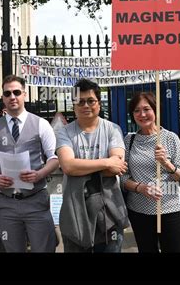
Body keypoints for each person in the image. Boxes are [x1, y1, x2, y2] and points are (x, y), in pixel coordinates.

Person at [0, 75, 59, 252]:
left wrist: (39, 174)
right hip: (7, 203)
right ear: (3, 98)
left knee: (44, 248)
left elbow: (54, 158)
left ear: (24, 94)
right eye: (7, 93)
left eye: (16, 92)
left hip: (36, 200)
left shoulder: (41, 124)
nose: (12, 97)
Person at [56, 79, 129, 252]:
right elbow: (68, 166)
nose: (86, 105)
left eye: (91, 100)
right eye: (80, 101)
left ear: (99, 103)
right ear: (74, 105)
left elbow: (116, 168)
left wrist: (81, 166)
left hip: (110, 209)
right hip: (75, 210)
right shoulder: (64, 132)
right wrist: (106, 162)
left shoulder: (113, 129)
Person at [120, 92, 180, 253]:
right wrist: (140, 187)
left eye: (147, 109)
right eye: (137, 111)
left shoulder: (170, 138)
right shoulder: (129, 140)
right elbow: (122, 178)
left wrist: (166, 163)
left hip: (169, 209)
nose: (142, 114)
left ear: (155, 110)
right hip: (139, 211)